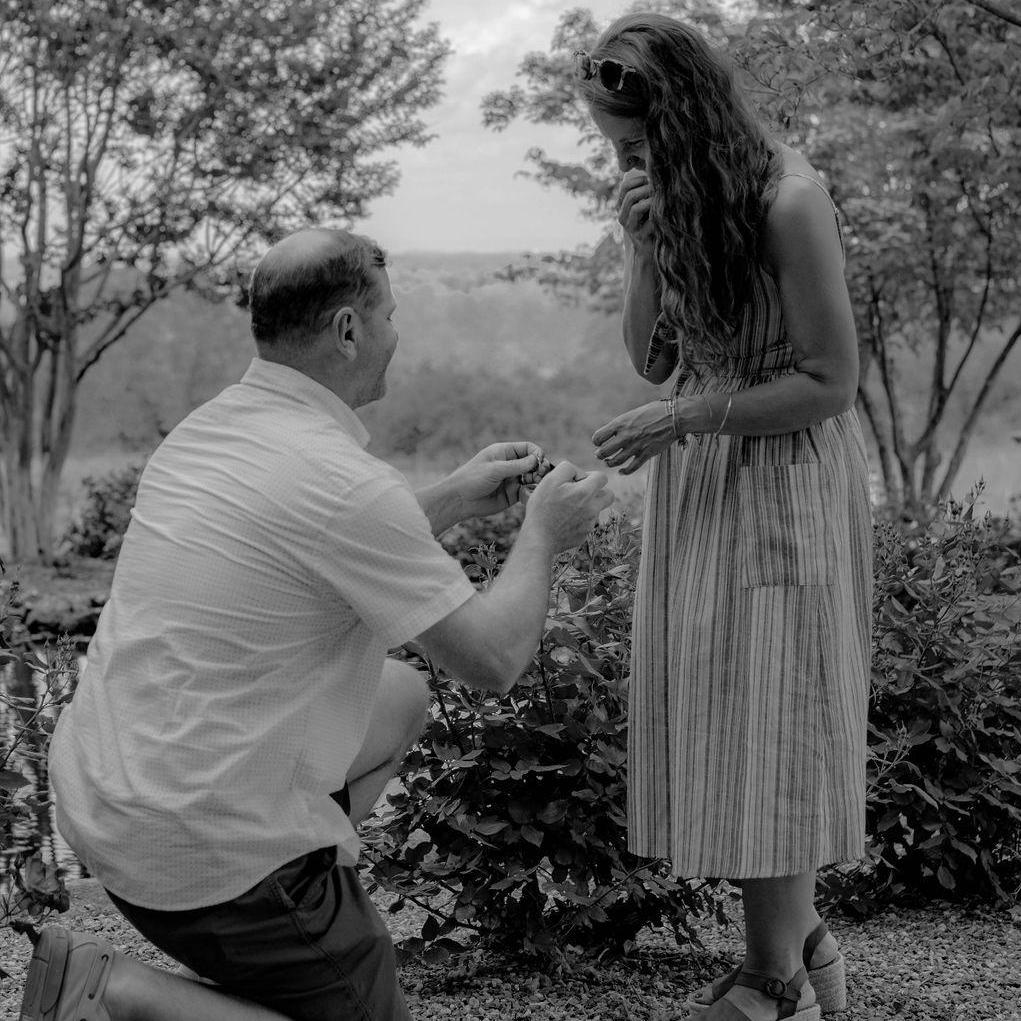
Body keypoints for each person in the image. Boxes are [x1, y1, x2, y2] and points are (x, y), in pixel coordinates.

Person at [19, 227, 612, 1021]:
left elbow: (311, 543)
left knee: (398, 693)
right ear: (347, 329)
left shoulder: (206, 432)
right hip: (191, 846)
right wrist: (542, 532)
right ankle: (117, 993)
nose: (396, 335)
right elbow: (494, 658)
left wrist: (454, 498)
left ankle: (294, 900)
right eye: (391, 315)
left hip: (106, 795)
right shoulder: (344, 483)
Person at [576, 13, 872, 1021]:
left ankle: (771, 980)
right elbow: (652, 359)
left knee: (770, 729)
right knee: (729, 728)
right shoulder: (667, 201)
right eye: (614, 149)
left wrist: (685, 415)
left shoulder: (789, 201)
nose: (625, 162)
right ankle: (808, 954)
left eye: (635, 144)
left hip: (782, 477)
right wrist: (641, 248)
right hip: (700, 482)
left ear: (688, 119)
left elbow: (832, 382)